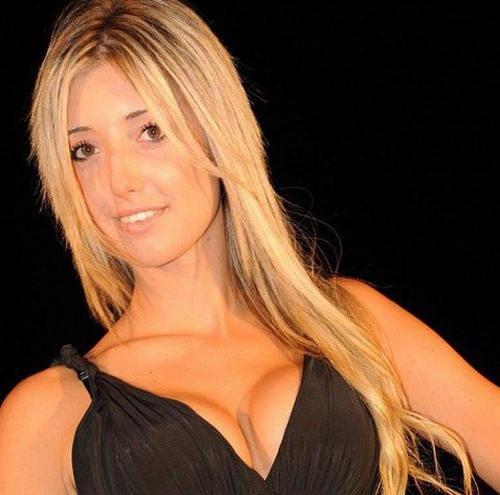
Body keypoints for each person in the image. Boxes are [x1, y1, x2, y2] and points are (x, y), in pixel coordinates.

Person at [0, 0, 498, 493]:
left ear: (216, 129)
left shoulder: (351, 326)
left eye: (151, 131)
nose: (118, 181)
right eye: (84, 150)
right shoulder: (48, 416)